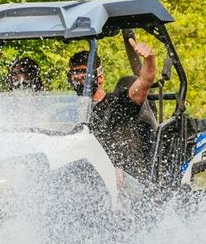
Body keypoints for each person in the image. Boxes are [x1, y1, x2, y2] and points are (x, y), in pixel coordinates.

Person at [67, 37, 158, 182]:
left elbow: (145, 82)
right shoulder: (69, 111)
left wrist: (149, 59)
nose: (78, 77)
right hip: (86, 173)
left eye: (83, 71)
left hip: (125, 176)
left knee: (112, 176)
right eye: (74, 72)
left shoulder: (117, 103)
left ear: (100, 77)